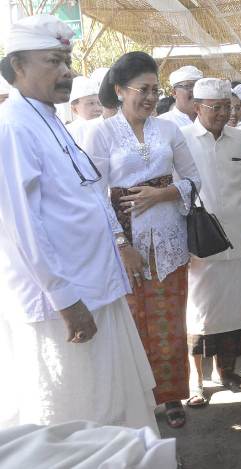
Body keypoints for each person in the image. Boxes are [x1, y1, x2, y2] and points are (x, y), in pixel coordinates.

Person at [0, 14, 157, 432]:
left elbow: (88, 191)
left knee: (113, 399)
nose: (67, 71)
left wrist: (120, 245)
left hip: (95, 286)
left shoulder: (49, 120)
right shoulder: (13, 128)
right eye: (53, 60)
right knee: (76, 412)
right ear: (18, 66)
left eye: (66, 60)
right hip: (62, 305)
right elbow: (21, 227)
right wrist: (64, 299)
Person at [83, 51, 201, 429]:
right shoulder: (100, 133)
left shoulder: (168, 130)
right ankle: (138, 401)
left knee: (170, 324)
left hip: (169, 243)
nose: (151, 97)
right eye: (142, 89)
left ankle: (171, 397)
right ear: (119, 90)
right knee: (132, 326)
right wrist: (121, 244)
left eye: (155, 89)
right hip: (126, 245)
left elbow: (194, 179)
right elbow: (93, 194)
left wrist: (163, 194)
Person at [181, 78, 241, 404]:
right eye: (215, 107)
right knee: (197, 312)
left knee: (234, 311)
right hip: (199, 241)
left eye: (227, 106)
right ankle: (195, 383)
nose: (222, 113)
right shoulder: (182, 140)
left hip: (236, 236)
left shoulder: (240, 139)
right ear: (197, 106)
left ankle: (226, 372)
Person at [66, 75, 102, 142]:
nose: (98, 108)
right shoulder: (69, 133)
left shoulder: (106, 125)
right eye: (91, 103)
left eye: (99, 103)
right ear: (75, 109)